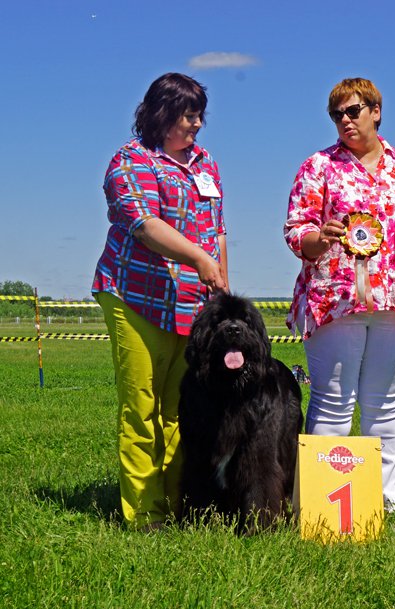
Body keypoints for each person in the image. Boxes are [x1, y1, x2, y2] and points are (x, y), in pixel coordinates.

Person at [284, 77, 395, 510]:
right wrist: (319, 238)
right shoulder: (318, 167)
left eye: (353, 111)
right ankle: (319, 507)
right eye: (336, 115)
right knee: (333, 404)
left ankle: (386, 504)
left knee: (387, 405)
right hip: (334, 300)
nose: (344, 121)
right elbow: (295, 230)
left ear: (376, 110)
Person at [92, 73, 228, 530]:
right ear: (160, 113)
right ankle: (144, 514)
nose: (196, 124)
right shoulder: (130, 161)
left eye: (199, 115)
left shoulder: (207, 164)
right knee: (141, 408)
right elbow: (146, 225)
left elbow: (217, 231)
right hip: (133, 296)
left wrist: (220, 279)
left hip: (189, 306)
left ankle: (180, 503)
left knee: (180, 410)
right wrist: (199, 259)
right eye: (188, 114)